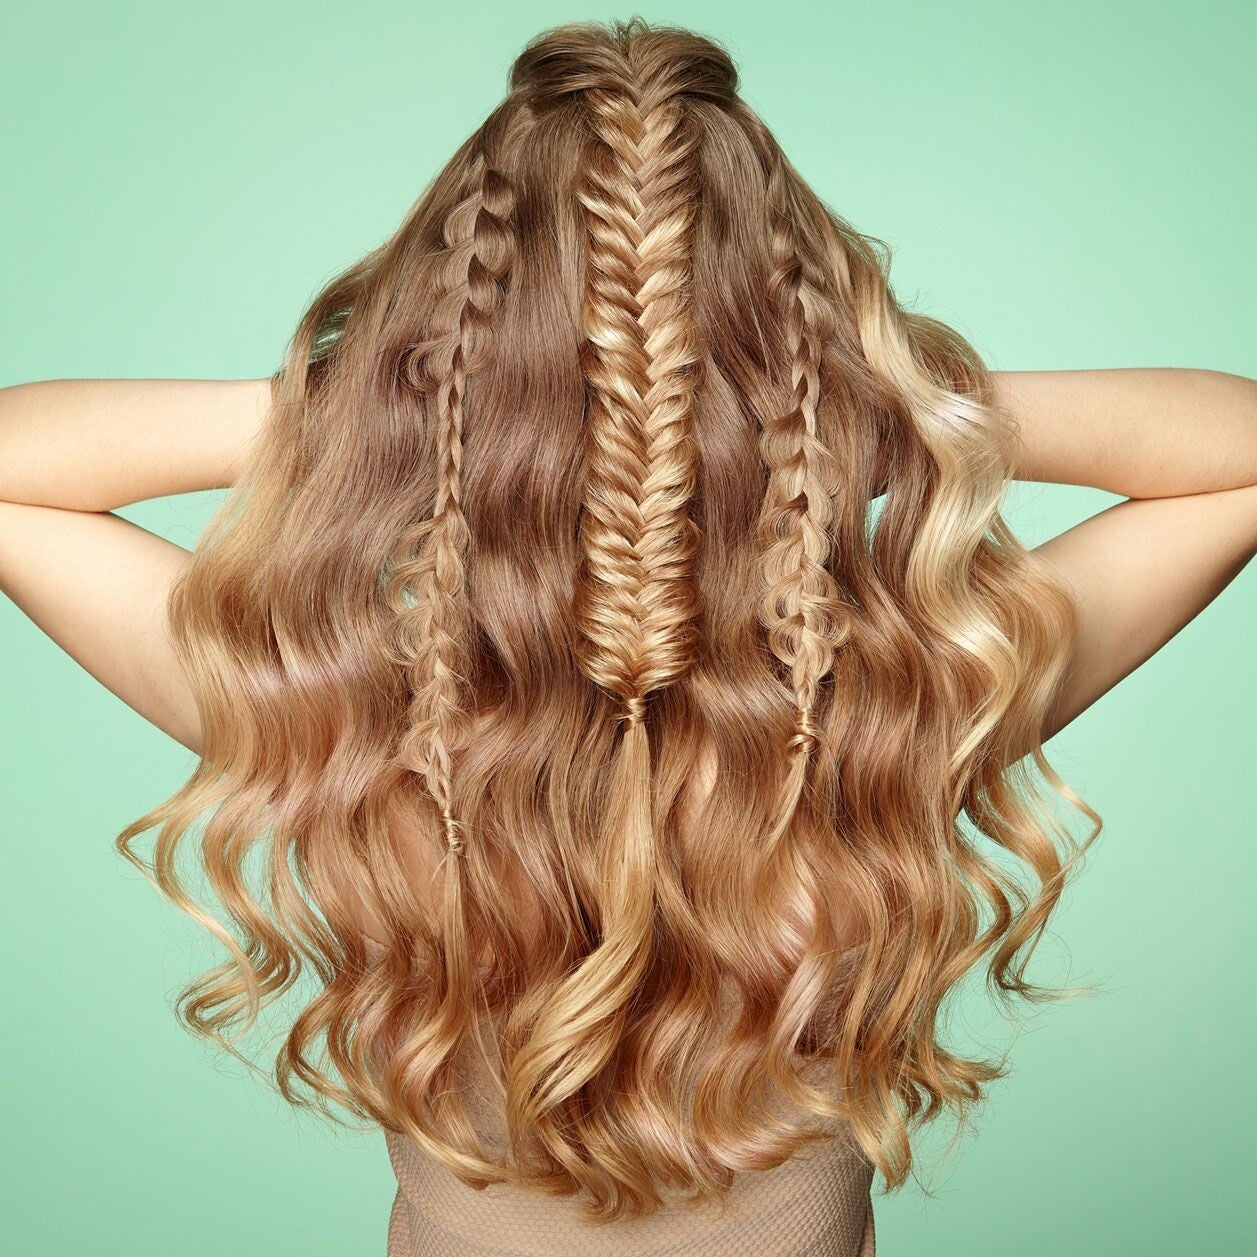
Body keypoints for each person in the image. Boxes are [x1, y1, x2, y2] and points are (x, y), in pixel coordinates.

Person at [1, 17, 1254, 1257]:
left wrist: (364, 415)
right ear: (785, 372)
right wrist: (903, 414)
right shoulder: (896, 718)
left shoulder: (348, 725)